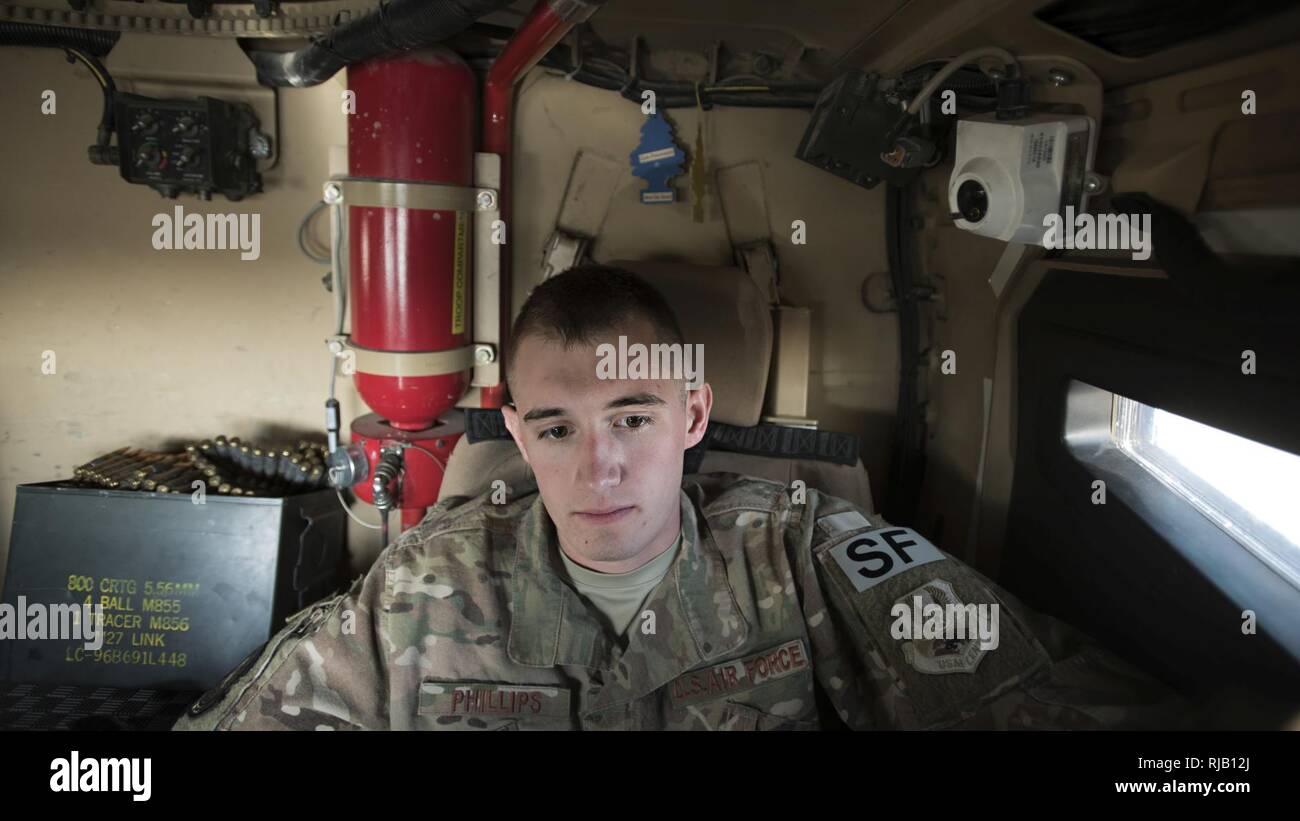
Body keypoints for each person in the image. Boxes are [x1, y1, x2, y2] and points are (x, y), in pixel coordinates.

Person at [174, 265, 1185, 730]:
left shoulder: (799, 550)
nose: (597, 467)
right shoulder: (424, 586)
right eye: (558, 428)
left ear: (693, 415)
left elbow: (1026, 693)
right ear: (518, 435)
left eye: (634, 417)